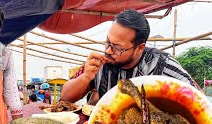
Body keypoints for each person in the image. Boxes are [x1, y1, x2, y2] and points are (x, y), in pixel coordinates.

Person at [61, 9, 199, 103]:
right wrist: (86, 77)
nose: (108, 51)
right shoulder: (99, 64)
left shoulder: (162, 65)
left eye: (117, 48)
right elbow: (65, 98)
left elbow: (199, 99)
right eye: (108, 42)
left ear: (139, 48)